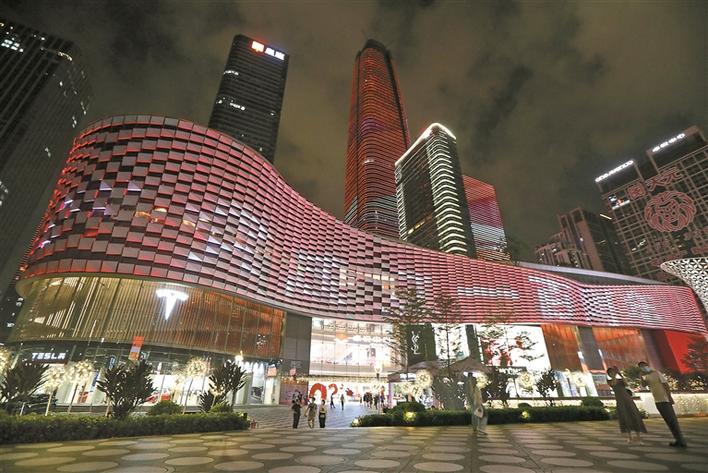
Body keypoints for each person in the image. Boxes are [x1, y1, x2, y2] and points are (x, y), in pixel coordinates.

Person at [639, 361, 687, 447]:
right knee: (668, 421)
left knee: (672, 421)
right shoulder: (647, 376)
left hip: (665, 399)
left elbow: (665, 385)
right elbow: (644, 385)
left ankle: (681, 441)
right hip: (657, 401)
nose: (643, 368)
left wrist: (669, 397)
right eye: (641, 367)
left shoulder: (657, 373)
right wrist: (641, 377)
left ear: (647, 365)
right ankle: (678, 440)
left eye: (644, 366)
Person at [606, 367, 646, 444]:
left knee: (634, 416)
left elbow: (626, 384)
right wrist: (614, 376)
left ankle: (638, 437)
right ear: (609, 374)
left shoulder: (621, 380)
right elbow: (613, 384)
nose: (612, 373)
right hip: (620, 401)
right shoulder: (610, 381)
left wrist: (620, 374)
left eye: (613, 372)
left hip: (628, 399)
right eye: (610, 372)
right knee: (625, 417)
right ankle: (630, 437)